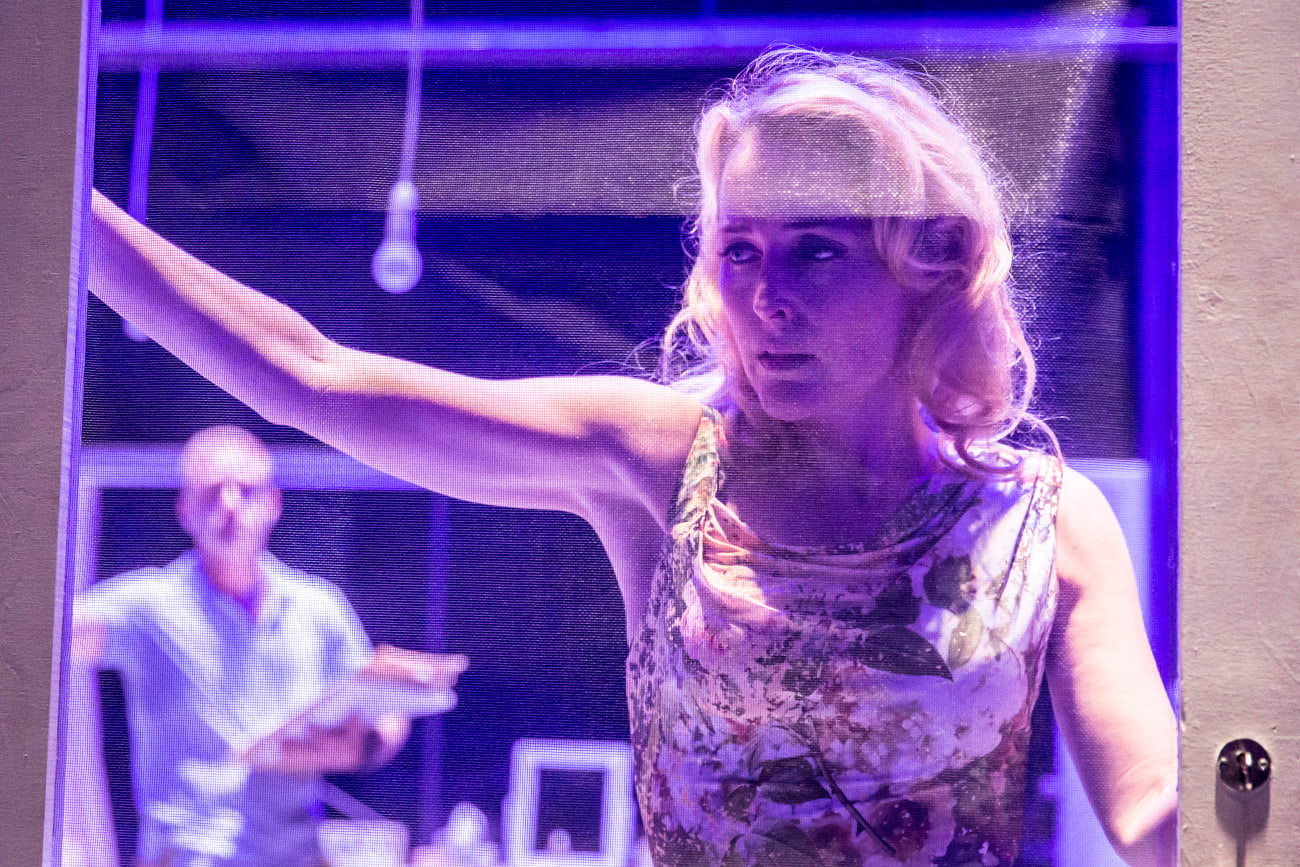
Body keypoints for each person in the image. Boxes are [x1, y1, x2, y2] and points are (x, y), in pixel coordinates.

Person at [85, 48, 1176, 866]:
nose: (767, 296)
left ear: (928, 264)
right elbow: (313, 375)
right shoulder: (662, 459)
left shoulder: (1043, 515)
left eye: (817, 249)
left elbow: (1152, 817)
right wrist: (47, 196)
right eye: (738, 250)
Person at [71, 425, 412, 867]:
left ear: (273, 504)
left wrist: (362, 744)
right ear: (185, 510)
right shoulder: (149, 606)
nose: (230, 506)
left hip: (297, 854)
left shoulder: (318, 607)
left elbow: (388, 711)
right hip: (192, 856)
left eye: (246, 490)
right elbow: (49, 629)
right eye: (213, 493)